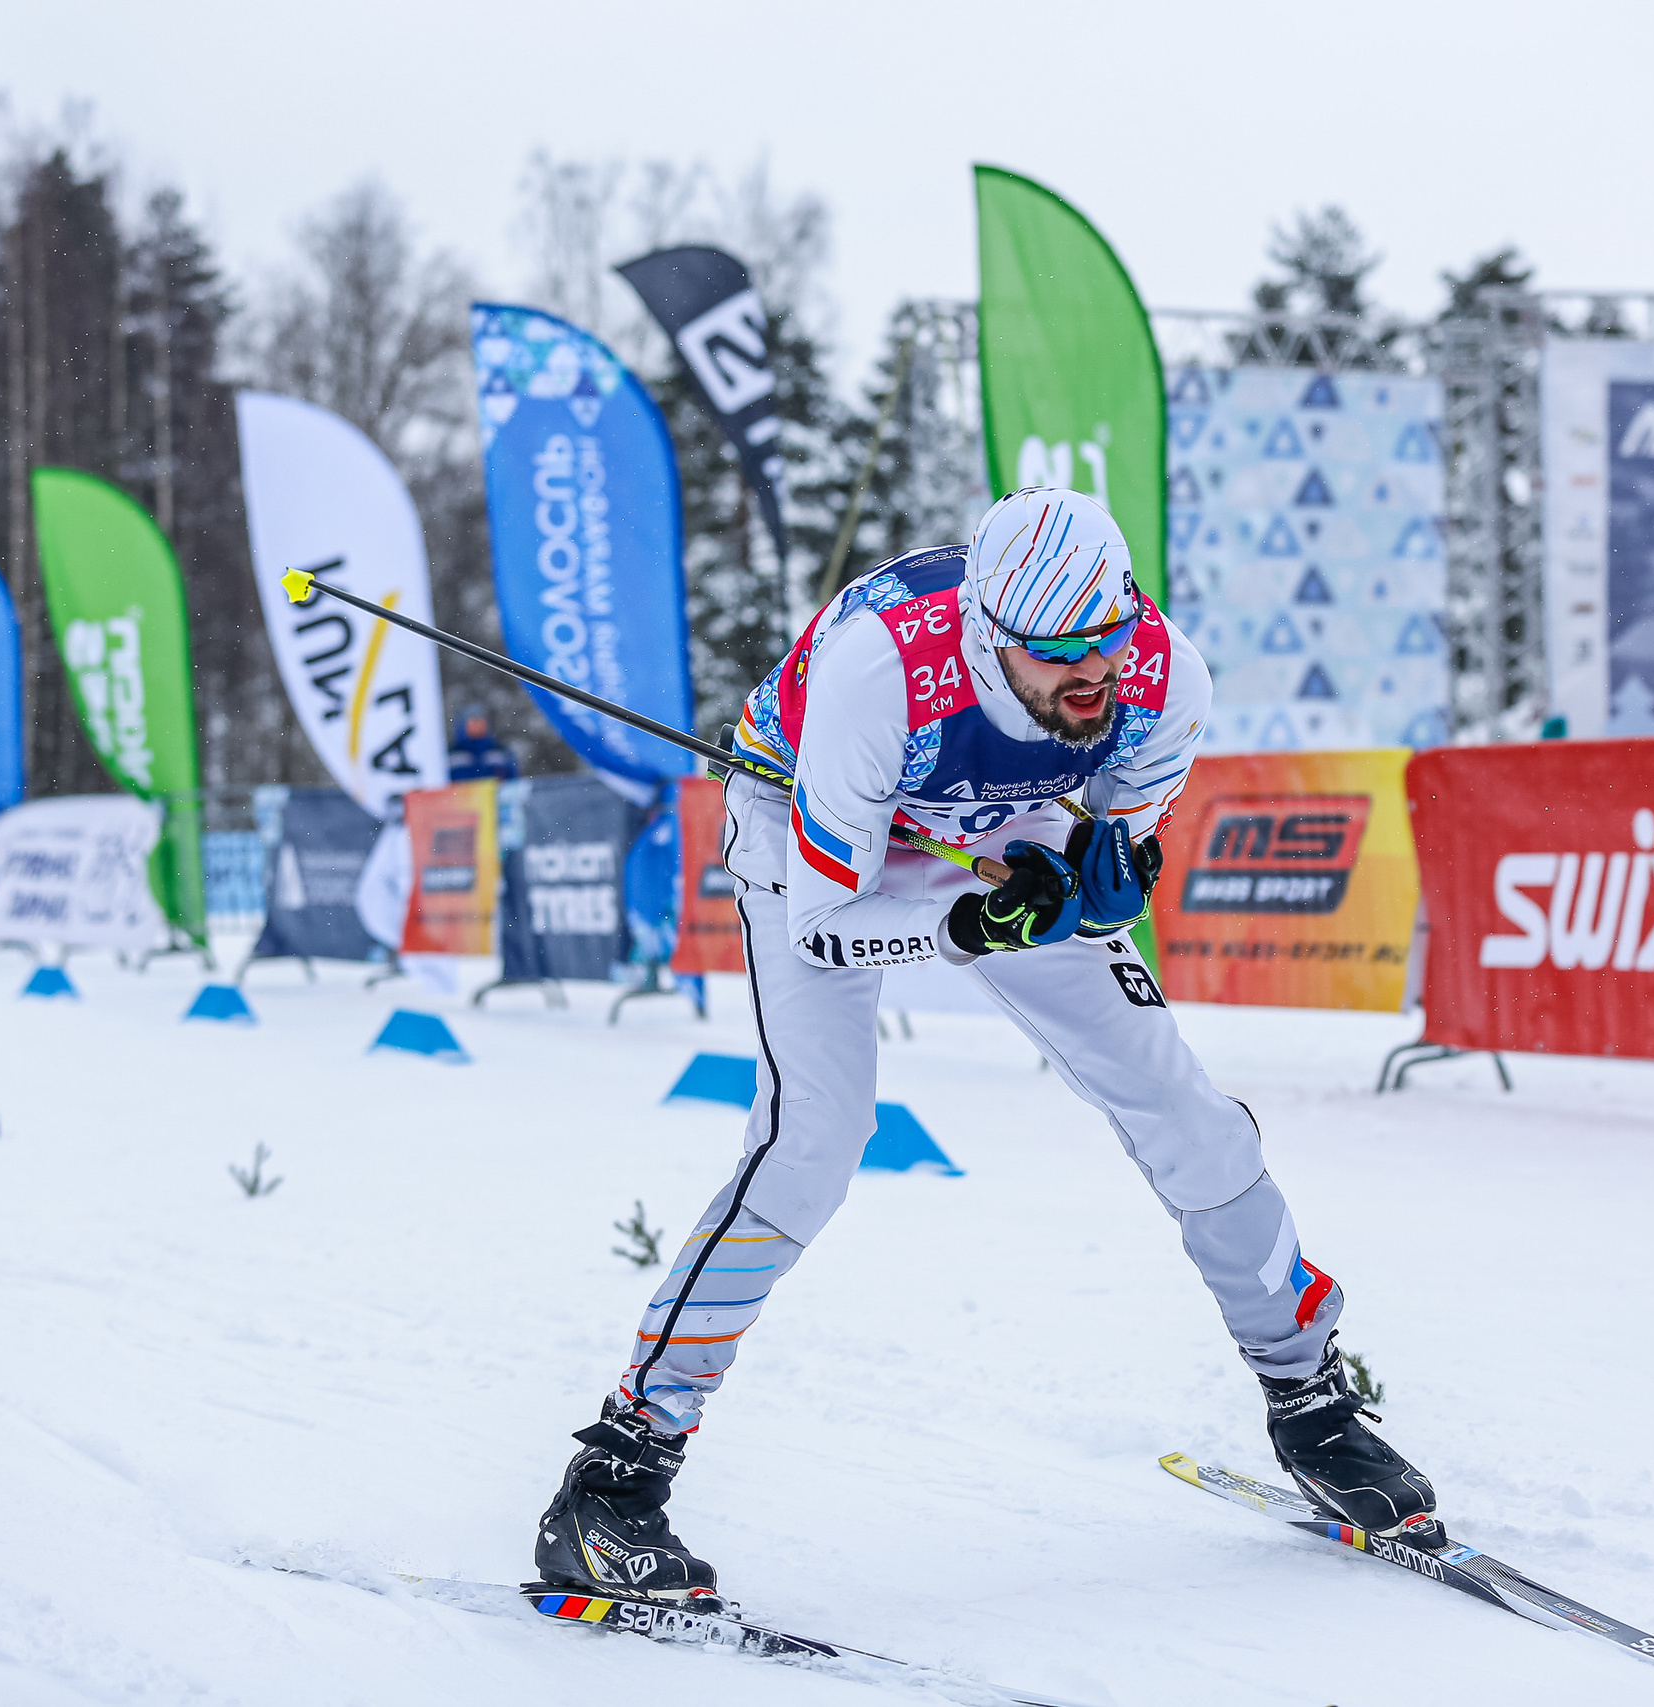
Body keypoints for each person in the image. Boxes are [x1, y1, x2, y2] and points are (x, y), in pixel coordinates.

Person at [534, 488, 1436, 1600]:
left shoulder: (1162, 674)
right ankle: (613, 1480)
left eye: (1105, 640)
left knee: (1185, 1112)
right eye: (1058, 656)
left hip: (1000, 828)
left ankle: (1310, 1406)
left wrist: (1109, 876)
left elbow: (1109, 846)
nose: (1092, 674)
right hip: (814, 832)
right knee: (814, 1140)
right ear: (988, 637)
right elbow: (824, 931)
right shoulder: (882, 670)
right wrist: (962, 923)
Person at [447, 705, 519, 782]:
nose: (477, 726)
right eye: (473, 722)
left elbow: (512, 779)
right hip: (460, 793)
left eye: (480, 722)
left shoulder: (500, 751)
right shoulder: (452, 753)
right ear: (463, 725)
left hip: (494, 793)